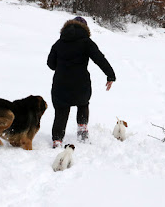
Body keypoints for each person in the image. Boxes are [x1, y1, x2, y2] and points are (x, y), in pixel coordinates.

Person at [47, 16, 116, 148]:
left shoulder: (58, 43)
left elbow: (51, 64)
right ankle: (82, 132)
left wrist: (62, 66)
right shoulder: (86, 42)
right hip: (81, 84)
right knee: (83, 104)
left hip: (60, 84)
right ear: (85, 28)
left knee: (61, 111)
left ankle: (57, 140)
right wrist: (110, 75)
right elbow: (99, 59)